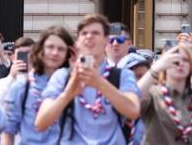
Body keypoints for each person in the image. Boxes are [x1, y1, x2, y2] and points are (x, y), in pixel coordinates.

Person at [36, 13, 141, 144]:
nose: (89, 36)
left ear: (106, 40)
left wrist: (100, 83)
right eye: (84, 33)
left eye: (95, 33)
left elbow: (134, 111)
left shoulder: (123, 75)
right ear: (78, 42)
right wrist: (67, 94)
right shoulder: (63, 76)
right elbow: (41, 123)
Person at [2, 26, 74, 145]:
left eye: (61, 49)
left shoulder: (74, 85)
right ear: (41, 50)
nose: (55, 53)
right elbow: (8, 131)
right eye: (50, 47)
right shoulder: (22, 87)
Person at [136, 44, 192, 144]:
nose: (180, 63)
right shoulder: (153, 93)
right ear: (164, 64)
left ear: (190, 66)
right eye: (175, 60)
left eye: (185, 60)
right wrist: (155, 70)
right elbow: (133, 100)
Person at [0, 36, 35, 107]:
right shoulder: (1, 83)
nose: (25, 58)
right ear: (14, 57)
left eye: (28, 54)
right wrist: (11, 77)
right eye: (20, 54)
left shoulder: (42, 79)